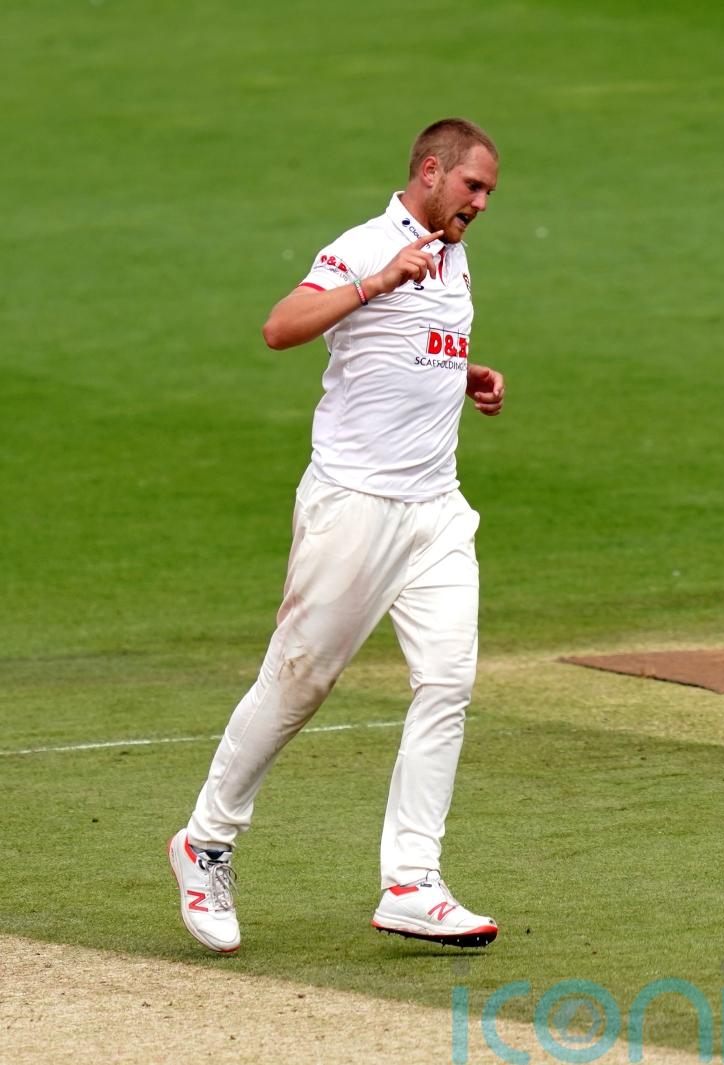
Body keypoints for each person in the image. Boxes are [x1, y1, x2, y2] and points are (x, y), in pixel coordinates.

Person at [168, 117, 505, 954]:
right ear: (431, 171)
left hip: (435, 511)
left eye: (490, 193)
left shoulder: (455, 256)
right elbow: (282, 326)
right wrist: (381, 279)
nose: (482, 203)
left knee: (447, 682)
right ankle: (205, 841)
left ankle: (412, 881)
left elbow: (403, 347)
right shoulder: (366, 244)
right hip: (354, 506)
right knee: (298, 682)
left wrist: (463, 373)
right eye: (473, 186)